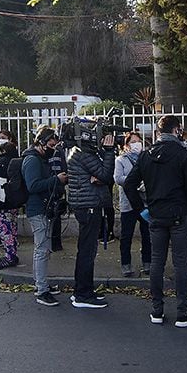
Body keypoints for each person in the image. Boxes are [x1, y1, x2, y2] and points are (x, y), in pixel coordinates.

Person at [124, 115, 187, 327]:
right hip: (179, 215)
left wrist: (142, 210)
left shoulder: (146, 155)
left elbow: (129, 185)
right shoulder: (183, 154)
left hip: (156, 215)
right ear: (176, 130)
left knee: (157, 262)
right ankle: (182, 312)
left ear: (158, 132)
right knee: (180, 264)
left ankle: (157, 310)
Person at [66, 124, 115, 309]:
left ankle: (83, 289)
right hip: (89, 207)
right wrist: (109, 152)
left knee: (86, 250)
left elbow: (101, 176)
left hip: (85, 206)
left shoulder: (77, 152)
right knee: (87, 251)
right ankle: (82, 294)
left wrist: (100, 177)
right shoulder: (84, 154)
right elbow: (105, 174)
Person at [22, 127, 67, 306]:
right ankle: (41, 290)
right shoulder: (32, 160)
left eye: (55, 146)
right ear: (41, 142)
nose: (53, 149)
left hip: (43, 208)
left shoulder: (40, 158)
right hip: (37, 209)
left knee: (44, 249)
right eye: (50, 145)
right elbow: (33, 186)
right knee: (41, 250)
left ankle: (41, 284)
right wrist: (57, 180)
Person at [114, 131, 151, 277]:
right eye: (133, 142)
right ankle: (126, 264)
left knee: (147, 234)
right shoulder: (121, 160)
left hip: (145, 202)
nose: (137, 144)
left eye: (138, 141)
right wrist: (133, 182)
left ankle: (147, 262)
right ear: (126, 146)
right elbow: (118, 178)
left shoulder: (146, 159)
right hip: (128, 203)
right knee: (126, 235)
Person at [0, 131, 20, 269]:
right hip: (15, 200)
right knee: (12, 226)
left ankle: (10, 256)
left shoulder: (0, 162)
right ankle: (13, 252)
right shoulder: (19, 162)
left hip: (1, 199)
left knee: (5, 228)